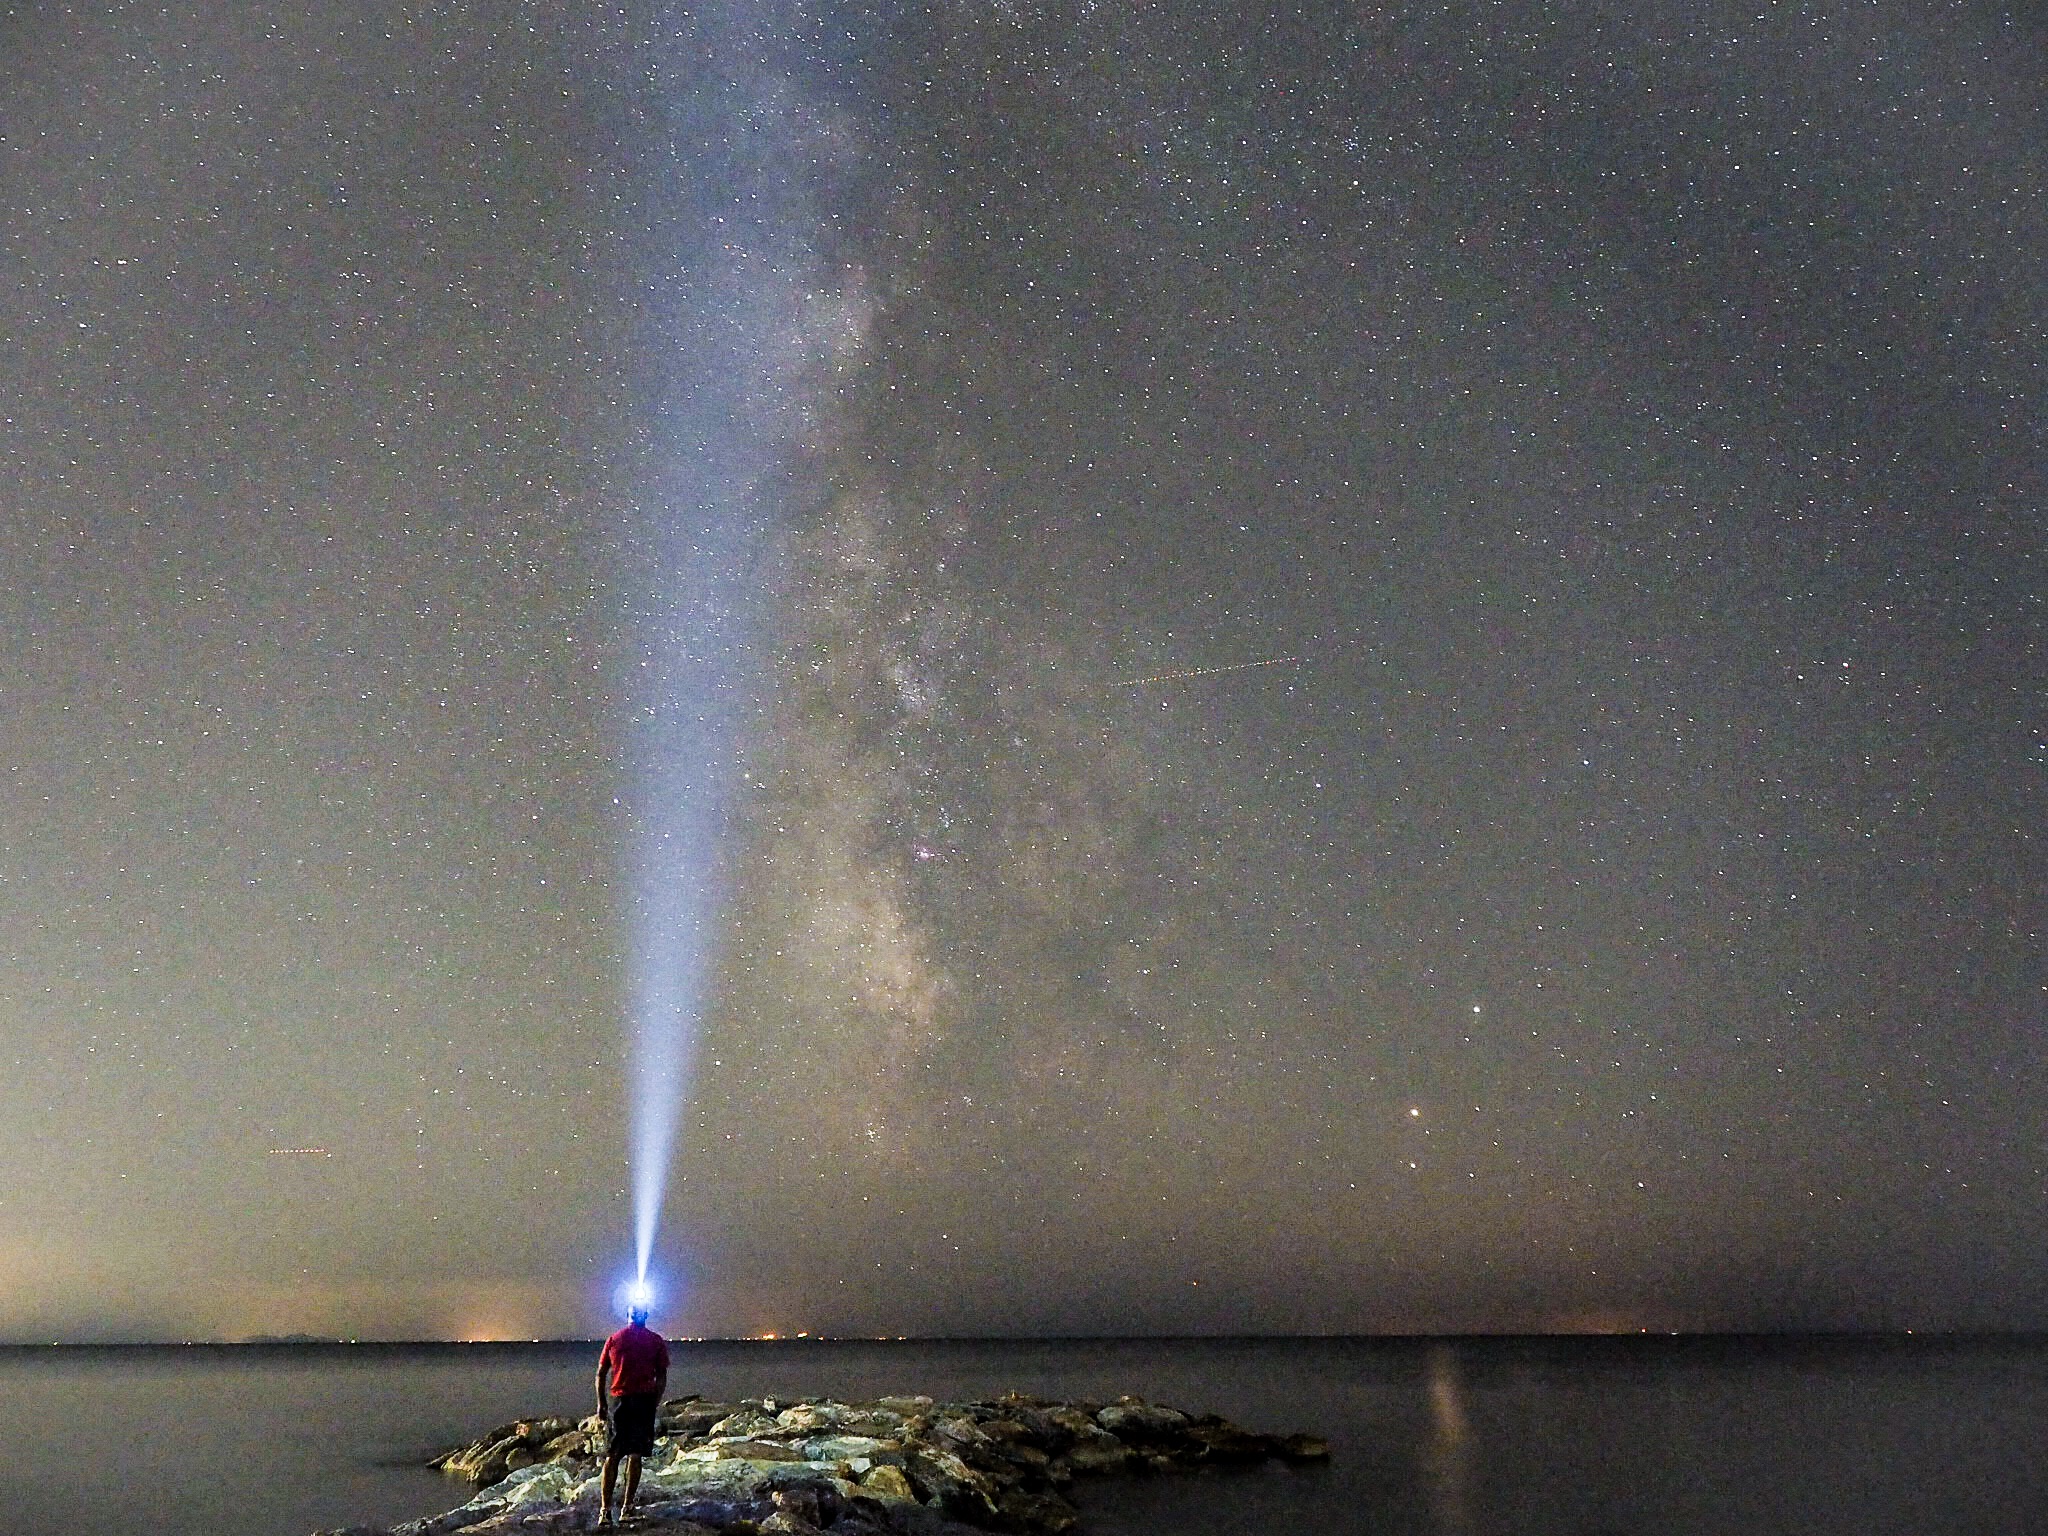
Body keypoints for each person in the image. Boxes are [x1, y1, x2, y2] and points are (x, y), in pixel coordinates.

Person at [595, 1302, 669, 1527]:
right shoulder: (655, 1340)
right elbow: (662, 1375)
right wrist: (655, 1400)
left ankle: (605, 1511)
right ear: (646, 1314)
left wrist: (601, 1404)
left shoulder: (615, 1339)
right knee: (634, 1455)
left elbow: (600, 1374)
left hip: (620, 1401)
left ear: (627, 1314)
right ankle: (626, 1508)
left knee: (613, 1454)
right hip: (643, 1401)